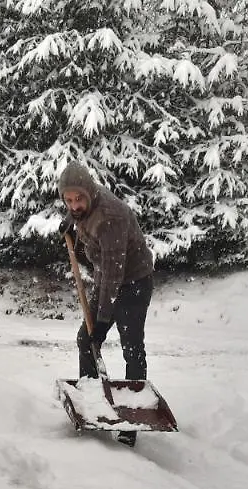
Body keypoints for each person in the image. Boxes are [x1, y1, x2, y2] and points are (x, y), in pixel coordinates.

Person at [57, 161, 155, 446]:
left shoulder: (111, 217)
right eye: (68, 201)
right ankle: (92, 399)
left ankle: (131, 420)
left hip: (133, 282)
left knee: (131, 348)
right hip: (108, 276)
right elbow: (106, 273)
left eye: (78, 199)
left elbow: (115, 274)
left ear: (89, 193)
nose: (74, 205)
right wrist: (71, 222)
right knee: (86, 339)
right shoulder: (85, 204)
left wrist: (102, 320)